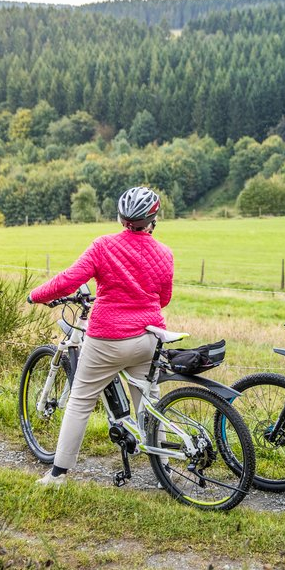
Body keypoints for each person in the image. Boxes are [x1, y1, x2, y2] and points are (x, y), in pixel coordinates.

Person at [28, 186, 174, 486]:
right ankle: (165, 471)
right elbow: (164, 298)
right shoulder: (165, 254)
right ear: (153, 219)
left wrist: (36, 295)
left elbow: (69, 280)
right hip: (148, 337)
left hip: (107, 339)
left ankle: (58, 474)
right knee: (149, 402)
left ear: (122, 218)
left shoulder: (103, 246)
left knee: (81, 399)